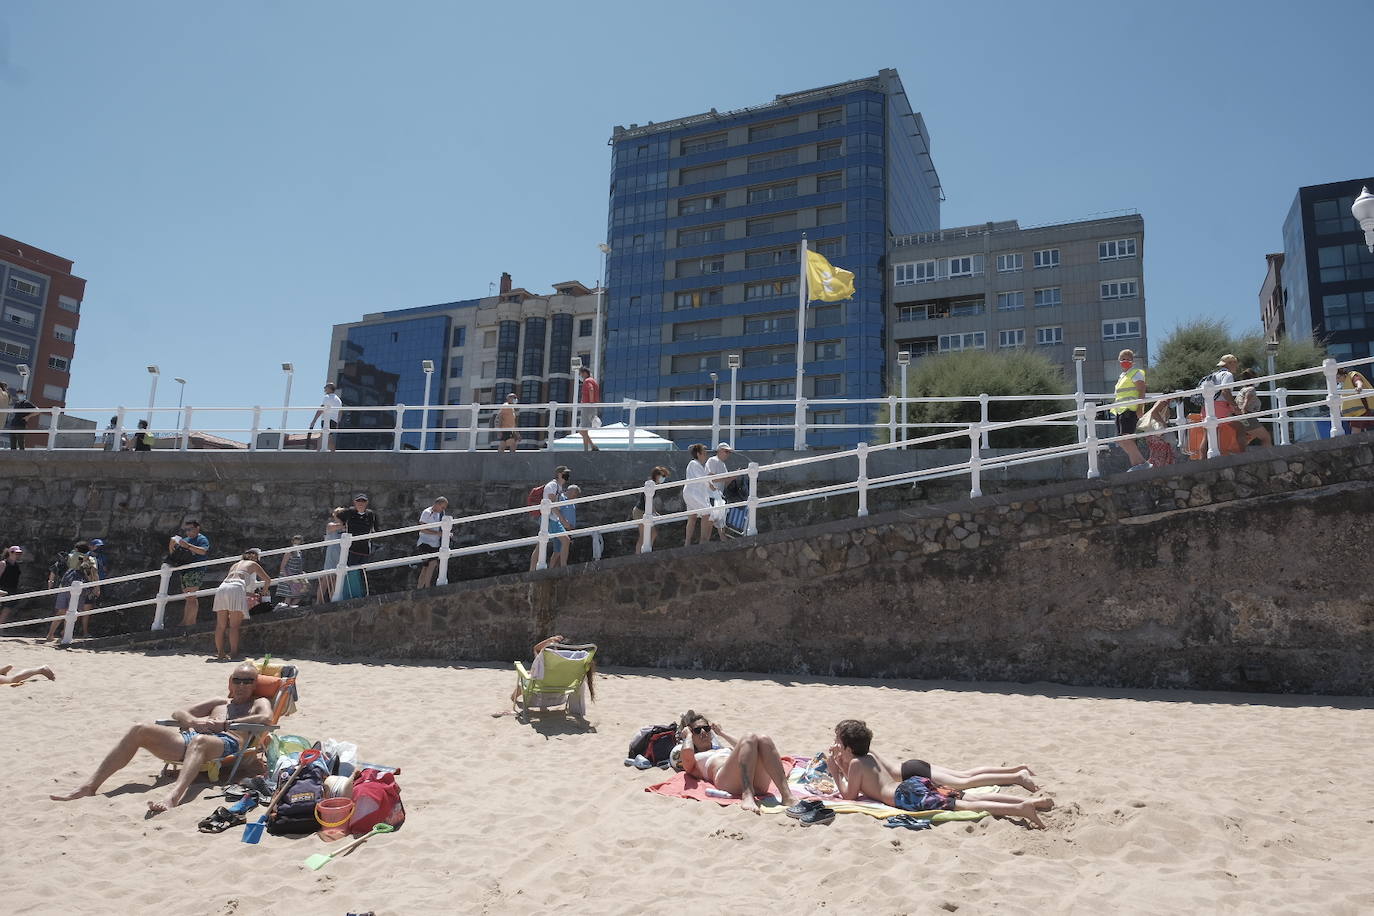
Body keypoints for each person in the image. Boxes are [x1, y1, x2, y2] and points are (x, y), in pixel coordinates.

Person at [51, 662, 274, 813]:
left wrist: (225, 724)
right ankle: (90, 786)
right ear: (230, 681)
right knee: (139, 728)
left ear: (255, 684)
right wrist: (192, 721)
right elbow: (178, 712)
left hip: (227, 742)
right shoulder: (219, 702)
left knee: (200, 741)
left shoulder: (257, 702)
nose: (242, 685)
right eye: (238, 680)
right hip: (192, 738)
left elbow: (266, 717)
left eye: (248, 681)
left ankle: (174, 796)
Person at [829, 720, 1051, 829]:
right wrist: (840, 763)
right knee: (969, 796)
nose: (836, 745)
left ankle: (1020, 808)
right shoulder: (868, 757)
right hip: (915, 784)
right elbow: (865, 780)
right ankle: (1030, 801)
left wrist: (835, 773)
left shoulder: (857, 763)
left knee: (963, 806)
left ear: (849, 748)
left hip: (906, 797)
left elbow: (850, 796)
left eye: (839, 742)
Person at [672, 710, 798, 815]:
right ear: (691, 734)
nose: (703, 732)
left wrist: (721, 733)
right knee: (749, 736)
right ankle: (747, 795)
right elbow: (687, 754)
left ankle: (787, 796)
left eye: (706, 728)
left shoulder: (722, 749)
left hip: (756, 782)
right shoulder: (695, 758)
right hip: (725, 780)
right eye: (697, 730)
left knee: (763, 739)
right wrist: (687, 736)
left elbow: (747, 745)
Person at [493, 634, 598, 716]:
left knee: (529, 676)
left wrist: (550, 640)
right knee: (539, 675)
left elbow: (536, 648)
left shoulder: (546, 661)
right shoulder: (576, 665)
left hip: (541, 689)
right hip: (563, 690)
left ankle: (513, 697)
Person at [214, 548, 273, 660]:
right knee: (234, 626)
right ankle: (233, 652)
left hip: (222, 588)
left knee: (220, 625)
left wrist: (250, 594)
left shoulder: (235, 565)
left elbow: (232, 584)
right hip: (237, 588)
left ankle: (220, 652)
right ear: (254, 557)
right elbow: (267, 580)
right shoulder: (253, 564)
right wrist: (264, 591)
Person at [1110, 349, 1150, 472]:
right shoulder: (1123, 376)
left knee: (1126, 438)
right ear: (1119, 361)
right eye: (1122, 359)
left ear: (1132, 361)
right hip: (1120, 410)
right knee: (1122, 440)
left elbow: (1141, 390)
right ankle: (1136, 465)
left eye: (1128, 359)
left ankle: (1142, 463)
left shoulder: (1135, 372)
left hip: (1129, 409)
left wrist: (1140, 408)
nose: (1125, 361)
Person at [166, 521, 211, 627]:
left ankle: (191, 622)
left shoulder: (201, 539)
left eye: (190, 529)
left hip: (196, 570)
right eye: (186, 530)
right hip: (185, 570)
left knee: (191, 597)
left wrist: (188, 546)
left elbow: (203, 551)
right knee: (188, 597)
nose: (187, 532)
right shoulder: (185, 540)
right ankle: (186, 621)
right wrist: (171, 544)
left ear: (197, 528)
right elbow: (173, 555)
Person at [45, 555, 99, 641]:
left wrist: (50, 584)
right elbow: (91, 578)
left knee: (62, 612)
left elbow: (54, 573)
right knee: (71, 612)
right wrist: (96, 587)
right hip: (75, 591)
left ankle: (52, 634)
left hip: (64, 589)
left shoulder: (70, 568)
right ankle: (65, 634)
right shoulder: (87, 569)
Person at [529, 468, 572, 571]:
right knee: (563, 541)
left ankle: (532, 570)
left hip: (552, 519)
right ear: (559, 474)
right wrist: (563, 520)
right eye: (565, 474)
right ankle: (563, 568)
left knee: (542, 545)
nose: (567, 476)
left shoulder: (558, 486)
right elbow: (551, 504)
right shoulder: (552, 486)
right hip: (550, 519)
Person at [632, 466, 671, 554]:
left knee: (653, 533)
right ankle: (638, 556)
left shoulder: (654, 485)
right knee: (642, 536)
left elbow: (649, 502)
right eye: (662, 476)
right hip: (640, 512)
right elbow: (647, 500)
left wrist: (654, 512)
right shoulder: (651, 484)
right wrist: (654, 512)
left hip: (643, 511)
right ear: (656, 475)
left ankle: (647, 551)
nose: (663, 478)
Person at [703, 442, 737, 541]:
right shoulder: (713, 460)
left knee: (718, 521)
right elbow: (711, 478)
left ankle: (718, 541)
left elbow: (724, 482)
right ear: (719, 451)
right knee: (712, 521)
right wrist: (729, 477)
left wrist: (732, 477)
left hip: (718, 496)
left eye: (729, 452)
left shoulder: (722, 464)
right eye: (726, 451)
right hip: (711, 495)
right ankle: (707, 543)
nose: (728, 454)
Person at [415, 496, 449, 588]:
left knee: (431, 564)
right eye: (442, 507)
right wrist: (437, 533)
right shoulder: (426, 512)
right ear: (437, 504)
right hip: (424, 543)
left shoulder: (441, 514)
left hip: (435, 544)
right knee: (426, 567)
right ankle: (424, 587)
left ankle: (424, 587)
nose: (443, 509)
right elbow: (422, 529)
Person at [683, 444, 714, 545]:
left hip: (690, 493)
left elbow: (702, 477)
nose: (706, 455)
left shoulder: (697, 465)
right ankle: (703, 541)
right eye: (704, 453)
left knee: (692, 517)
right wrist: (711, 485)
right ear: (698, 454)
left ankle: (687, 543)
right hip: (694, 493)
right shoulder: (694, 464)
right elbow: (702, 479)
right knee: (707, 513)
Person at [1236, 369, 1273, 448]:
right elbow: (1246, 401)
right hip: (1248, 417)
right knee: (1266, 437)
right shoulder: (1251, 389)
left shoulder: (1242, 390)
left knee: (1247, 437)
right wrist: (1244, 411)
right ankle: (1269, 457)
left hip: (1242, 417)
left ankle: (1241, 454)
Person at [1137, 398, 1179, 467]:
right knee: (1161, 455)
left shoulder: (1164, 403)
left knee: (1158, 455)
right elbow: (1154, 413)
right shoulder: (1163, 402)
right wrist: (1163, 424)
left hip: (1154, 434)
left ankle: (1154, 471)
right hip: (1156, 434)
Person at [317, 507, 346, 602]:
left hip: (341, 555)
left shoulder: (345, 526)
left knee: (336, 580)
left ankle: (332, 601)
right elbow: (335, 527)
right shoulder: (331, 525)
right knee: (325, 579)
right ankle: (319, 602)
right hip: (331, 555)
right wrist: (345, 524)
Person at [1336, 365, 1374, 433]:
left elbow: (1358, 381)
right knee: (1356, 428)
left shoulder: (1352, 375)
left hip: (1363, 407)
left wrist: (1359, 387)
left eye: (1338, 377)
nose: (1337, 380)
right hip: (1356, 411)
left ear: (1344, 375)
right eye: (1336, 378)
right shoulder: (1341, 386)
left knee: (1355, 429)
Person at [274, 535, 309, 607]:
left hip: (296, 575)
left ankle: (289, 607)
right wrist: (287, 578)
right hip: (288, 575)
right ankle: (286, 609)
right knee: (289, 596)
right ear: (292, 542)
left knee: (302, 593)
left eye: (299, 544)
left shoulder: (300, 552)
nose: (297, 545)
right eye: (295, 543)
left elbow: (299, 565)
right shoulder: (289, 552)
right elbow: (282, 566)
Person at [310, 382, 343, 451]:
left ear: (330, 389)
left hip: (326, 420)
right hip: (334, 421)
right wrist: (338, 423)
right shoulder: (338, 400)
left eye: (326, 387)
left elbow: (321, 409)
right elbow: (340, 412)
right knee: (328, 438)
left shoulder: (327, 397)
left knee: (322, 436)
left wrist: (314, 421)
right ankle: (333, 452)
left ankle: (317, 452)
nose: (324, 388)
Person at [577, 367, 601, 451]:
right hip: (591, 407)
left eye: (581, 374)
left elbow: (591, 389)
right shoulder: (594, 381)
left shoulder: (587, 381)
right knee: (582, 430)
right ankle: (592, 446)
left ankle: (587, 449)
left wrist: (590, 402)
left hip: (587, 407)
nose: (581, 376)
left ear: (584, 373)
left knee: (582, 429)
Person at [0, 545, 24, 626]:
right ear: (10, 553)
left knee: (7, 609)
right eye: (16, 553)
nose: (17, 555)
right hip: (2, 589)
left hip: (12, 589)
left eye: (19, 553)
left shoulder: (16, 565)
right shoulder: (3, 563)